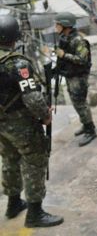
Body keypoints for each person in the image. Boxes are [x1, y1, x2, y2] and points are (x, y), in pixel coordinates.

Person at [0, 15, 64, 228]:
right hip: (21, 125)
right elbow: (32, 97)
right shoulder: (17, 63)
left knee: (9, 160)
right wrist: (45, 115)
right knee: (35, 162)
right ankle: (35, 213)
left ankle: (13, 204)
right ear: (13, 36)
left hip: (1, 125)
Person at [54, 12, 97, 147]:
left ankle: (91, 130)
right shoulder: (65, 38)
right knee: (76, 103)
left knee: (81, 103)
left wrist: (64, 55)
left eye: (58, 24)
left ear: (65, 25)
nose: (56, 27)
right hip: (70, 75)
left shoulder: (78, 40)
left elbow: (82, 60)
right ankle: (86, 124)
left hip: (79, 77)